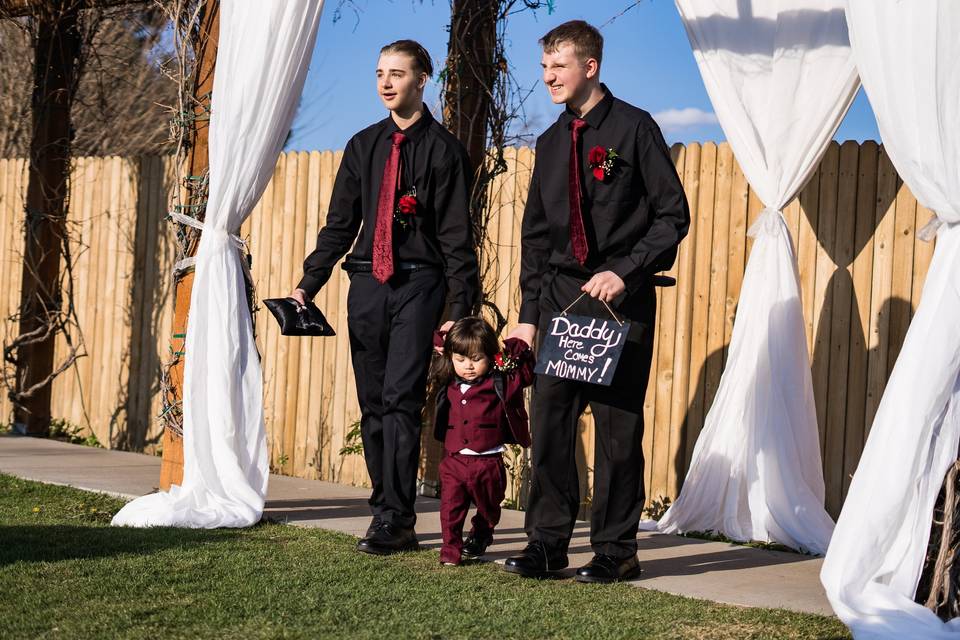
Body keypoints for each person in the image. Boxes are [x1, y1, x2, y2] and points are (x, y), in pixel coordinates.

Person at [504, 20, 690, 583]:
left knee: (617, 430)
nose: (548, 78)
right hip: (561, 299)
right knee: (552, 422)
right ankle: (546, 544)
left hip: (621, 300)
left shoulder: (635, 129)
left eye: (557, 67)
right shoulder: (551, 141)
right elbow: (536, 237)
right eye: (543, 68)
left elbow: (672, 216)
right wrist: (528, 318)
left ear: (590, 67)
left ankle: (615, 550)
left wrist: (626, 270)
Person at [290, 40, 479, 555]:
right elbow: (339, 225)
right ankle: (384, 509)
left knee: (399, 398)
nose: (386, 82)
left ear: (423, 79)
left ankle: (396, 519)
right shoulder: (362, 146)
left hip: (419, 283)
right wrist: (310, 283)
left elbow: (458, 239)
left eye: (398, 73)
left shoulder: (445, 152)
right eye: (379, 73)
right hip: (367, 285)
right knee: (373, 401)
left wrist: (461, 316)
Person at [429, 317, 534, 566]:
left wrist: (519, 346)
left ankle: (482, 532)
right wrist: (442, 340)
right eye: (461, 359)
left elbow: (526, 374)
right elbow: (434, 350)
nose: (468, 366)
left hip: (488, 461)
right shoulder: (447, 382)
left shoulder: (501, 383)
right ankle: (450, 550)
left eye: (476, 359)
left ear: (490, 356)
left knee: (489, 507)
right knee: (450, 509)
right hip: (454, 460)